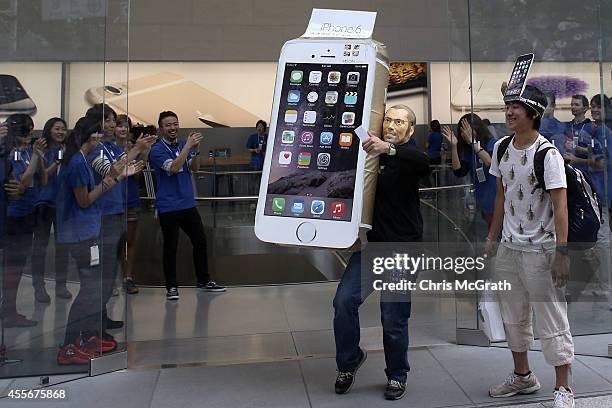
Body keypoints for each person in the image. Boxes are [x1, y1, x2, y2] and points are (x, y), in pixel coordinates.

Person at [486, 85, 575, 407]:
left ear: (533, 114)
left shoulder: (547, 154)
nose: (509, 112)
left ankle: (563, 388)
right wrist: (492, 238)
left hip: (541, 250)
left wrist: (561, 253)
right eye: (507, 105)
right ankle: (523, 377)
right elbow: (501, 195)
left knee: (550, 318)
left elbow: (560, 206)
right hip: (509, 247)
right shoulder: (500, 147)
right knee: (513, 316)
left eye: (516, 107)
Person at [333, 105, 430, 400]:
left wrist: (388, 148)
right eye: (387, 119)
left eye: (399, 121)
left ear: (410, 130)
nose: (391, 124)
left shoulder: (407, 155)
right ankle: (349, 362)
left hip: (403, 250)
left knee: (393, 316)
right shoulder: (370, 154)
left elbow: (425, 163)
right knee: (343, 301)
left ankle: (397, 375)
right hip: (372, 248)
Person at [56, 116, 142, 364]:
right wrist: (113, 179)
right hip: (80, 233)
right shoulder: (77, 163)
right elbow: (85, 200)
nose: (98, 143)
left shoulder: (81, 160)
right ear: (87, 138)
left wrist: (118, 176)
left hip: (88, 229)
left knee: (94, 288)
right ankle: (69, 345)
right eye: (95, 138)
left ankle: (86, 336)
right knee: (90, 289)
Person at [87, 108, 155, 329]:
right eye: (108, 121)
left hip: (116, 209)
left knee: (110, 268)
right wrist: (137, 149)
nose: (111, 125)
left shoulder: (109, 147)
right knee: (102, 270)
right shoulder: (94, 148)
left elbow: (127, 168)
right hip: (103, 213)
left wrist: (138, 152)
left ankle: (101, 316)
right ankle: (93, 321)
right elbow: (113, 171)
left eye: (113, 121)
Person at [149, 111, 225, 300]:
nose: (173, 128)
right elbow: (174, 167)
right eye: (168, 125)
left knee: (200, 241)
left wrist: (196, 149)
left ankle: (203, 280)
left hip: (187, 204)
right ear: (161, 128)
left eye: (175, 124)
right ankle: (172, 287)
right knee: (171, 247)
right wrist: (188, 147)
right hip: (168, 206)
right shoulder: (157, 150)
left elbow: (195, 167)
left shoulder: (184, 144)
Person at [0, 114, 47, 327]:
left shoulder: (28, 151)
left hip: (29, 211)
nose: (27, 134)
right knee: (13, 264)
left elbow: (42, 179)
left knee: (18, 264)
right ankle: (8, 309)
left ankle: (9, 308)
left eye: (29, 129)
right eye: (23, 129)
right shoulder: (13, 153)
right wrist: (36, 157)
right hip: (15, 214)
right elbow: (21, 184)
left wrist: (40, 157)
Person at [31, 117, 72, 303]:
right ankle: (38, 287)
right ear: (49, 130)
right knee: (40, 246)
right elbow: (43, 176)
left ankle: (61, 284)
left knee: (63, 247)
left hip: (63, 204)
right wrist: (56, 161)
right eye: (57, 128)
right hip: (44, 203)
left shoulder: (68, 150)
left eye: (63, 129)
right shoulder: (43, 150)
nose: (61, 132)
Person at [116, 116, 155, 294]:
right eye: (119, 126)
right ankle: (112, 278)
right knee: (112, 242)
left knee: (130, 241)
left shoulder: (135, 147)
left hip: (130, 198)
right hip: (111, 201)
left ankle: (128, 277)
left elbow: (138, 177)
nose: (123, 129)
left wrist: (145, 153)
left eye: (126, 126)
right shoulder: (106, 148)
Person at [442, 113, 497, 229]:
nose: (464, 134)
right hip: (481, 202)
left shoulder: (491, 143)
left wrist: (473, 142)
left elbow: (490, 162)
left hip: (496, 202)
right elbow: (459, 171)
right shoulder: (468, 151)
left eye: (467, 130)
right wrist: (453, 147)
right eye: (462, 131)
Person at [564, 94, 593, 174]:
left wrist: (576, 147)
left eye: (576, 105)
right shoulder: (567, 126)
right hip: (568, 169)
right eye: (572, 104)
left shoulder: (591, 127)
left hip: (585, 171)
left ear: (585, 108)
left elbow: (594, 152)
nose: (573, 107)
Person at [246, 120, 267, 196]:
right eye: (258, 126)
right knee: (253, 182)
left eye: (261, 126)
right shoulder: (253, 137)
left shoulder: (267, 137)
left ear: (264, 128)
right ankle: (252, 201)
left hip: (265, 163)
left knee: (263, 182)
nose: (259, 128)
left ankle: (262, 199)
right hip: (255, 163)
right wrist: (254, 150)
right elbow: (248, 148)